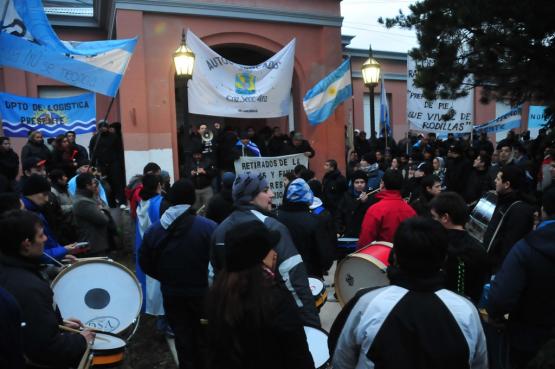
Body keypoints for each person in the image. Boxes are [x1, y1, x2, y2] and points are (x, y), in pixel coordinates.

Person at [331, 217, 488, 369]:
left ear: (395, 256)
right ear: (444, 259)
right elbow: (480, 363)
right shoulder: (466, 310)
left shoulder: (367, 303)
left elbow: (341, 357)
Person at [211, 172, 320, 327]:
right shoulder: (271, 227)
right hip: (270, 318)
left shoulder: (219, 230)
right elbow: (293, 277)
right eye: (265, 190)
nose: (272, 194)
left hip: (232, 320)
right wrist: (311, 323)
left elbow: (213, 279)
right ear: (250, 197)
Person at [206, 221, 315, 369]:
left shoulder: (219, 294)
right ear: (260, 258)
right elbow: (298, 356)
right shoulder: (276, 301)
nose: (275, 254)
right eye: (270, 249)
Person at [0, 210, 94, 369]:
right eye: (41, 235)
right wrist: (81, 340)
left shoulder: (7, 270)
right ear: (26, 244)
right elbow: (46, 349)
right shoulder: (29, 288)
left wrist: (57, 323)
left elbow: (25, 323)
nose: (45, 239)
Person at [140, 179, 217, 369]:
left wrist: (165, 277)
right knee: (204, 339)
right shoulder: (208, 227)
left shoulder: (155, 230)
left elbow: (145, 263)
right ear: (192, 199)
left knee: (182, 338)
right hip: (201, 293)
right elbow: (218, 260)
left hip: (172, 293)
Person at [487, 187, 555, 369]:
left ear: (542, 212)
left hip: (526, 337)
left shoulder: (527, 248)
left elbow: (501, 298)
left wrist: (495, 314)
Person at [430, 192, 489, 304]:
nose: (431, 221)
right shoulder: (480, 249)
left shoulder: (434, 245)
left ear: (445, 218)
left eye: (433, 217)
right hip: (467, 309)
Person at [276, 178, 334, 278]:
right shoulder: (314, 221)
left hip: (282, 276)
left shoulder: (276, 217)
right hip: (310, 275)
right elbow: (325, 256)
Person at [483, 165, 535, 272]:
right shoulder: (503, 200)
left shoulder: (519, 210)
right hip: (489, 263)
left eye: (498, 179)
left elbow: (509, 246)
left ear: (507, 184)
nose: (495, 181)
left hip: (497, 269)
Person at [21, 174, 79, 262]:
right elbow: (37, 253)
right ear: (32, 192)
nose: (47, 199)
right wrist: (63, 250)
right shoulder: (26, 216)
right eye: (44, 194)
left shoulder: (36, 210)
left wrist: (62, 252)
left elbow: (49, 242)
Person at [357, 169, 416, 248]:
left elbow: (365, 241)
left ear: (382, 184)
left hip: (381, 257)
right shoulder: (411, 210)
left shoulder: (375, 210)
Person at [135, 174, 166, 316]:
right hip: (158, 246)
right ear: (158, 185)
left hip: (145, 245)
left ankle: (151, 309)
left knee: (150, 282)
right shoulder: (159, 203)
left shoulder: (142, 202)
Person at [73, 173, 112, 256]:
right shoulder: (83, 202)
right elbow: (104, 219)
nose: (96, 185)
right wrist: (102, 210)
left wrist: (99, 205)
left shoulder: (89, 198)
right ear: (87, 185)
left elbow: (103, 207)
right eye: (94, 183)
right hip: (93, 245)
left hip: (96, 243)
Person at [89, 120, 126, 207]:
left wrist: (121, 164)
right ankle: (110, 203)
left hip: (114, 164)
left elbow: (119, 151)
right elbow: (92, 152)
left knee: (117, 183)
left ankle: (121, 202)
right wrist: (93, 165)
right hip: (101, 166)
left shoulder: (114, 137)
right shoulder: (95, 138)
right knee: (105, 185)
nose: (103, 128)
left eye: (105, 126)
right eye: (101, 126)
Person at [335, 170, 376, 238]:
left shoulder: (371, 195)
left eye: (362, 182)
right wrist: (340, 230)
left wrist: (365, 203)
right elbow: (339, 215)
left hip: (366, 233)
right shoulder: (346, 196)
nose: (359, 184)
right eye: (357, 182)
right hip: (349, 233)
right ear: (353, 183)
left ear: (366, 183)